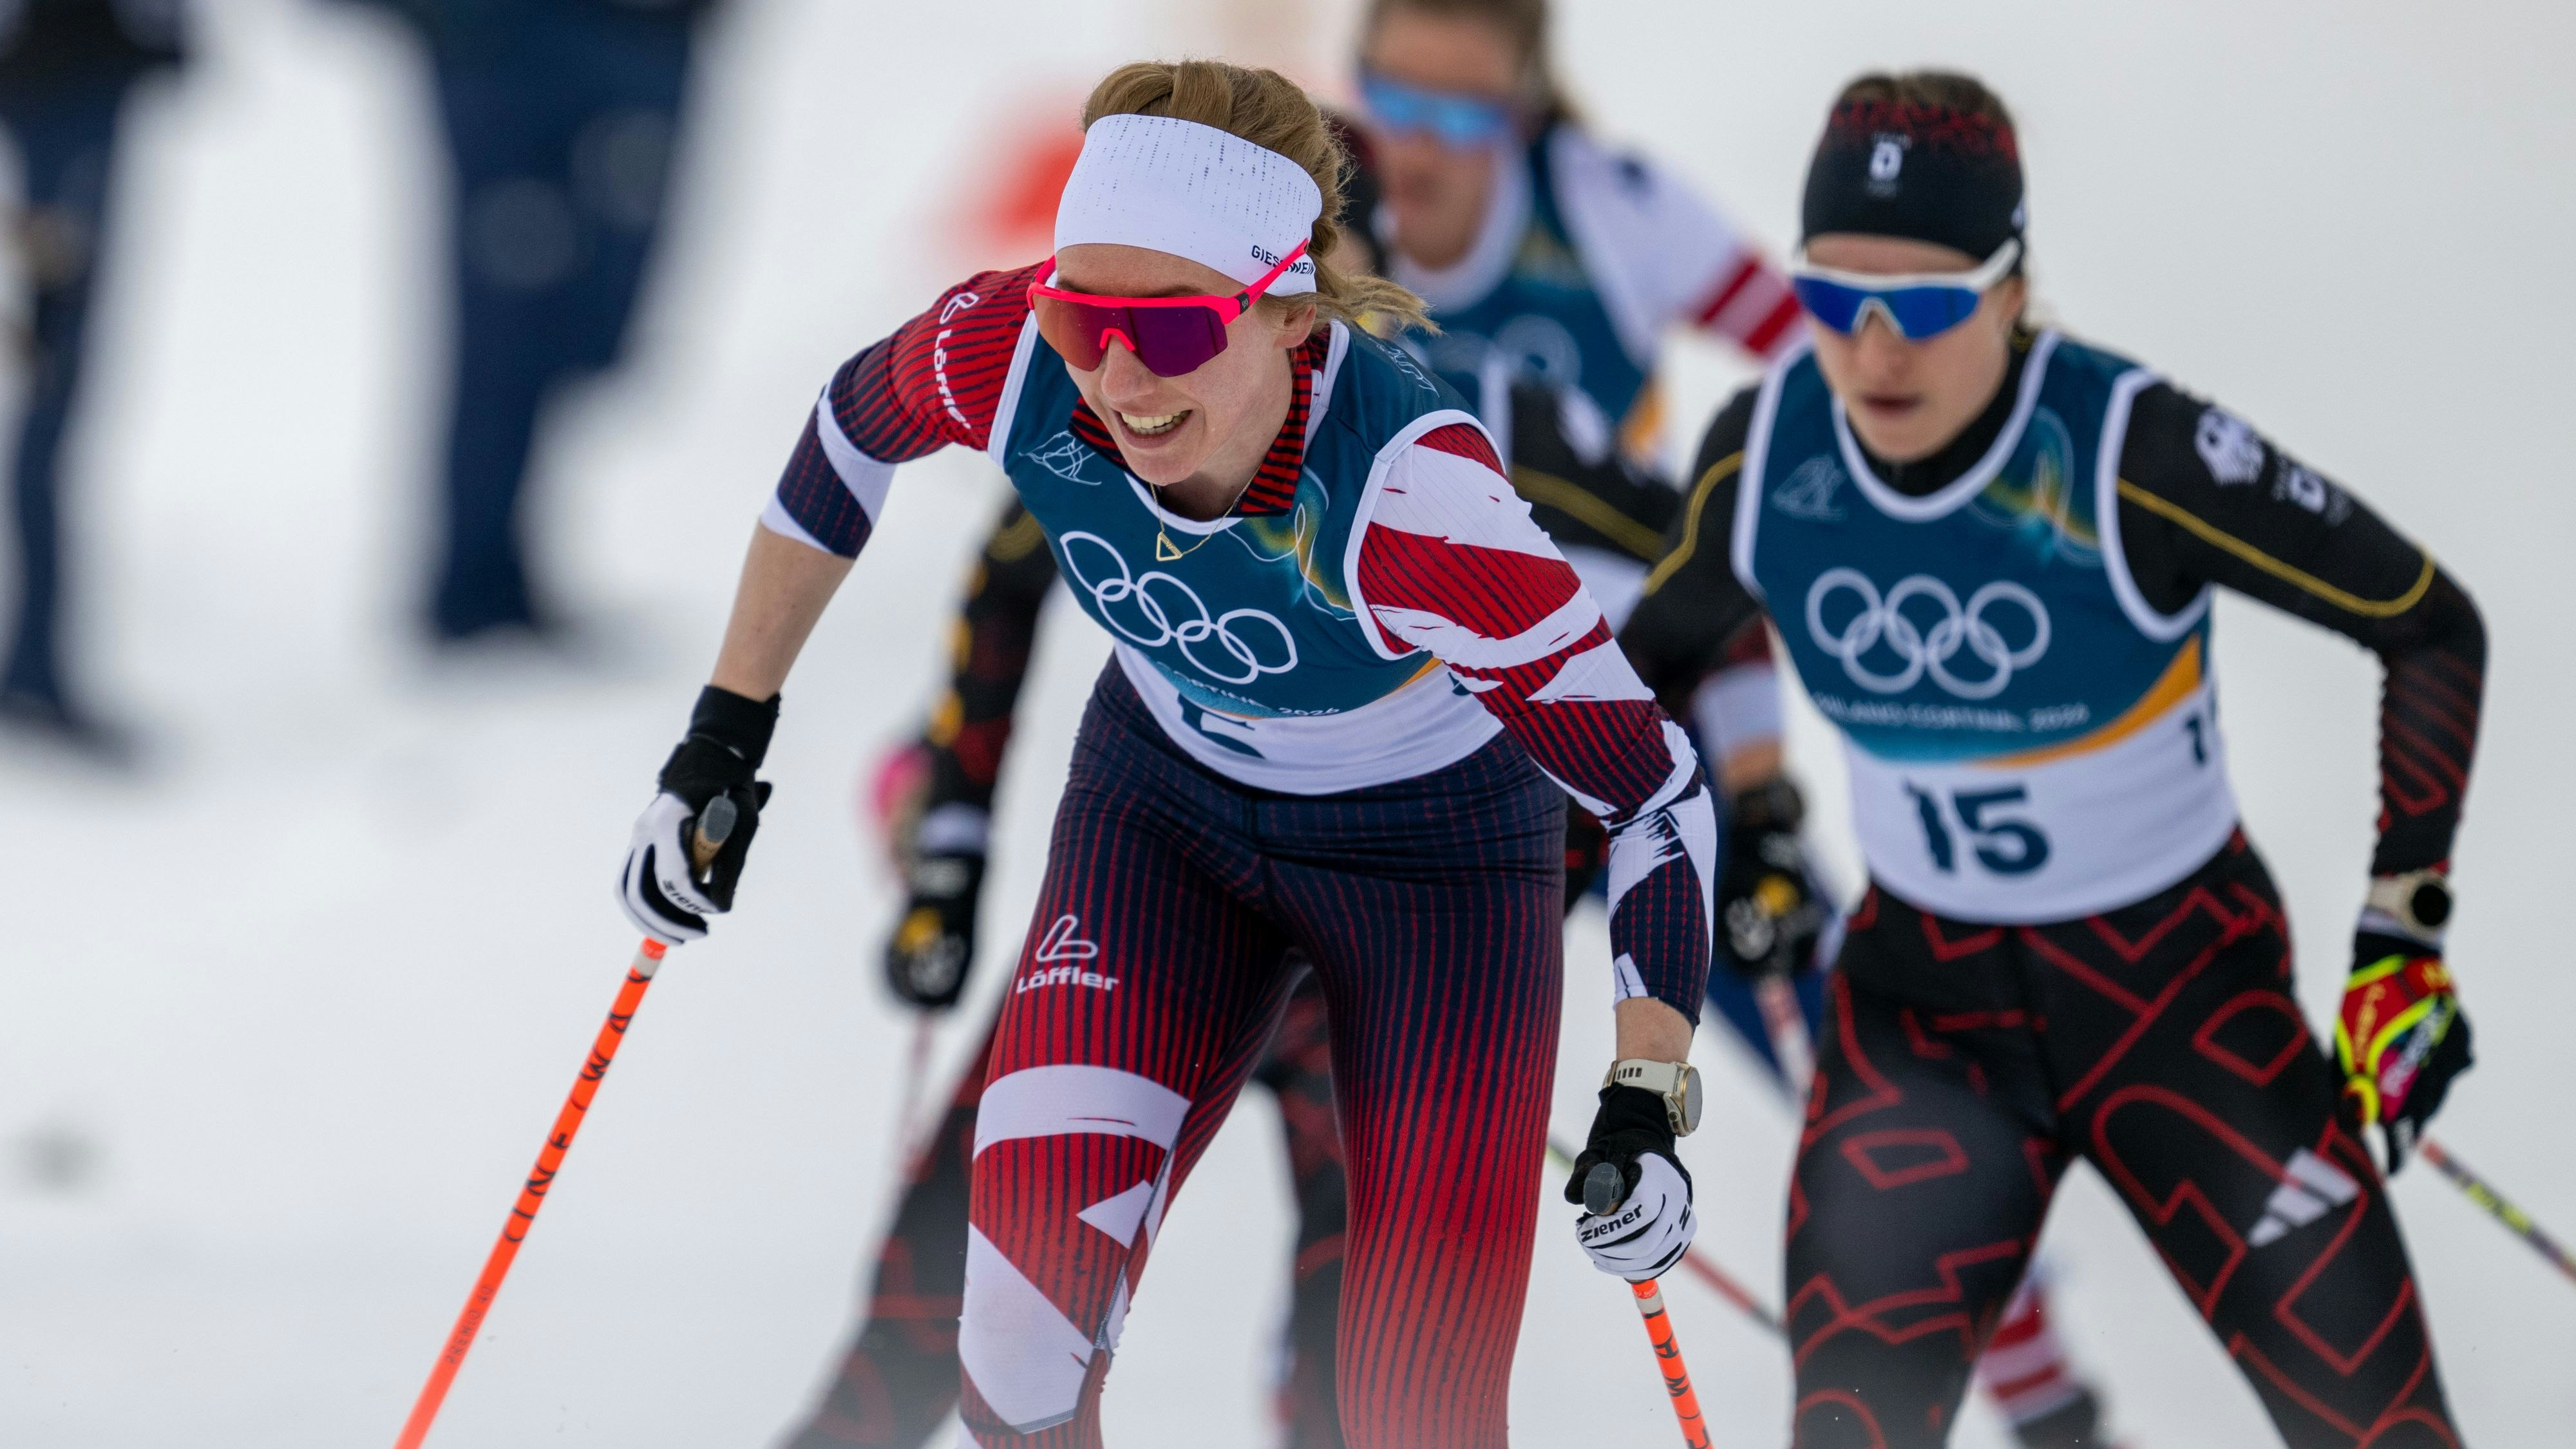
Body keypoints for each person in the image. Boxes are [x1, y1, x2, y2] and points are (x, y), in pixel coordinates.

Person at [618, 58, 1719, 1449]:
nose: (1119, 376)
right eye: (1084, 318)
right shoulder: (1015, 352)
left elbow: (1651, 793)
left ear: (1285, 307)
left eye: (1174, 331)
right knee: (1011, 1334)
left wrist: (1643, 1094)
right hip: (1166, 820)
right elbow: (848, 431)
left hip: (1432, 870)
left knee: (1409, 1414)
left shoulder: (1418, 499)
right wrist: (727, 736)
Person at [1619, 71, 2482, 1448]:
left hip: (2181, 1001)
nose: (1876, 350)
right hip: (1925, 1020)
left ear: (2013, 292)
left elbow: (2429, 628)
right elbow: (1622, 690)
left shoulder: (2128, 452)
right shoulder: (1768, 452)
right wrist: (1742, 829)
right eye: (1834, 300)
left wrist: (2401, 940)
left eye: (1930, 302)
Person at [329, 0, 712, 643]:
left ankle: (503, 561)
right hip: (503, 34)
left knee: (595, 316)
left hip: (646, 27)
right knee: (511, 298)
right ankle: (477, 578)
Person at [0, 0, 187, 755]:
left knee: (58, 388)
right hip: (60, 79)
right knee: (52, 390)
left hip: (79, 73)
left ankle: (40, 663)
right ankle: (36, 671)